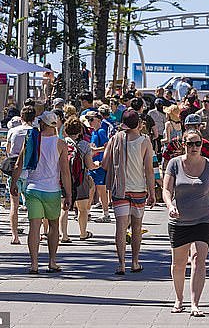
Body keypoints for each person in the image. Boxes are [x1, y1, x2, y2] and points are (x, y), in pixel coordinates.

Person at [162, 129, 209, 317]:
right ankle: (179, 299)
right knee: (179, 264)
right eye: (190, 144)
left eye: (198, 144)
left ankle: (195, 303)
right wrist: (170, 205)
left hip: (204, 220)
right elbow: (166, 189)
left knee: (198, 260)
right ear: (184, 145)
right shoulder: (174, 164)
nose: (194, 147)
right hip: (179, 220)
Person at [11, 111, 72, 274]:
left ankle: (34, 264)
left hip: (32, 189)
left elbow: (18, 164)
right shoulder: (60, 144)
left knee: (34, 227)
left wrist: (13, 183)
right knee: (53, 225)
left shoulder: (31, 140)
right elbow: (65, 172)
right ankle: (52, 261)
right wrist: (69, 194)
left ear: (42, 124)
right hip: (52, 190)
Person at [102, 109, 156, 275]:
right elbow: (149, 170)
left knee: (120, 227)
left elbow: (104, 164)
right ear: (138, 123)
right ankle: (135, 262)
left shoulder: (115, 139)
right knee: (137, 227)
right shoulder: (145, 141)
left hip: (120, 189)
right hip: (139, 189)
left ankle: (121, 264)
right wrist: (152, 192)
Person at [64, 117, 100, 240]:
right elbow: (89, 165)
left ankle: (64, 235)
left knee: (64, 207)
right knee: (82, 209)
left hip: (64, 178)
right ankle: (83, 233)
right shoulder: (84, 145)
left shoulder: (62, 143)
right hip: (80, 178)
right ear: (80, 131)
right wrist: (97, 165)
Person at [6, 105, 36, 245]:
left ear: (21, 117)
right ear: (34, 118)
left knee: (14, 205)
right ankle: (35, 233)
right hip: (31, 172)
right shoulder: (35, 132)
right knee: (33, 206)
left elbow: (8, 150)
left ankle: (14, 235)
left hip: (14, 171)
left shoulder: (13, 131)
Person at [86, 111, 110, 224]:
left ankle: (106, 213)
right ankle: (86, 212)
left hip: (99, 164)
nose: (89, 122)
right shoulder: (94, 132)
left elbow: (107, 146)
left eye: (91, 119)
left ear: (98, 120)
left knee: (101, 190)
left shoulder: (100, 131)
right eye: (88, 120)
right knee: (91, 189)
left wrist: (95, 151)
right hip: (94, 164)